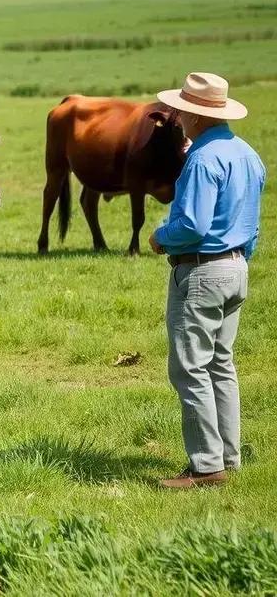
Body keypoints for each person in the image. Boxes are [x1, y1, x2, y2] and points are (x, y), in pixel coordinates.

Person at [149, 72, 266, 489]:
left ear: (195, 116)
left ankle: (205, 466)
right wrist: (239, 259)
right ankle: (228, 458)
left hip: (201, 270)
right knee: (221, 365)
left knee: (190, 369)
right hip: (236, 267)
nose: (177, 115)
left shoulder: (201, 158)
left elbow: (193, 225)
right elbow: (252, 222)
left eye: (182, 109)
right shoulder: (248, 153)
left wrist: (160, 237)